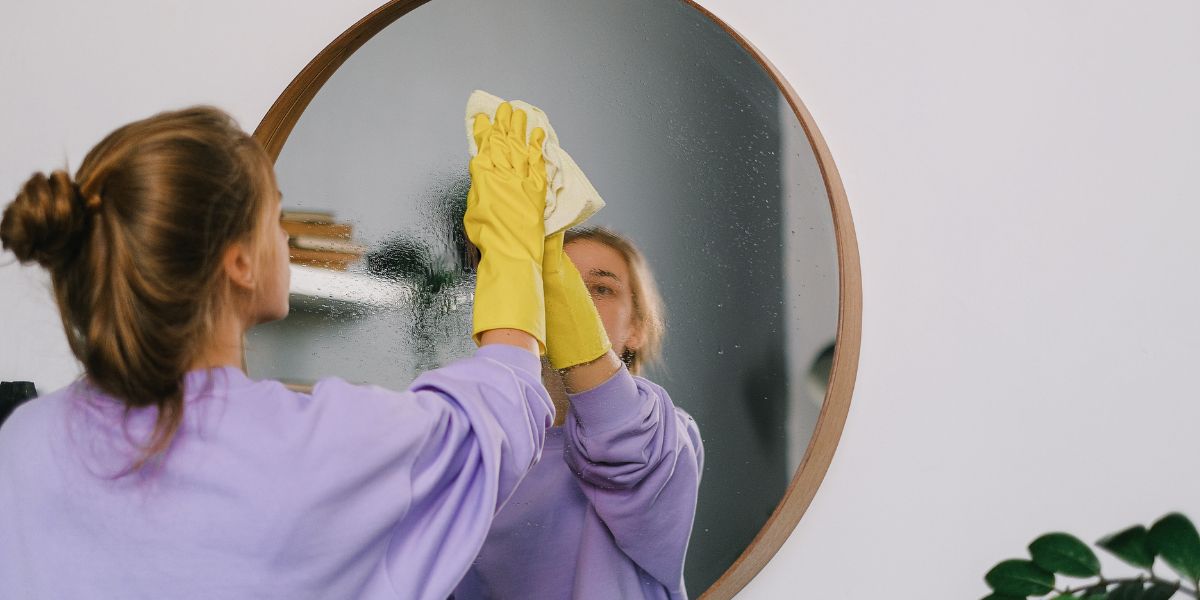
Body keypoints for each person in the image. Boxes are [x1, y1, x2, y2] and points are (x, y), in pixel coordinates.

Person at [0, 104, 559, 599]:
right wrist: (512, 251)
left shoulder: (23, 443)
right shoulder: (311, 447)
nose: (285, 240)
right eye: (275, 217)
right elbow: (490, 424)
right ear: (240, 262)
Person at [454, 225, 705, 599]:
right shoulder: (477, 442)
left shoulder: (665, 434)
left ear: (635, 328)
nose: (574, 302)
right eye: (556, 283)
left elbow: (621, 440)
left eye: (601, 288)